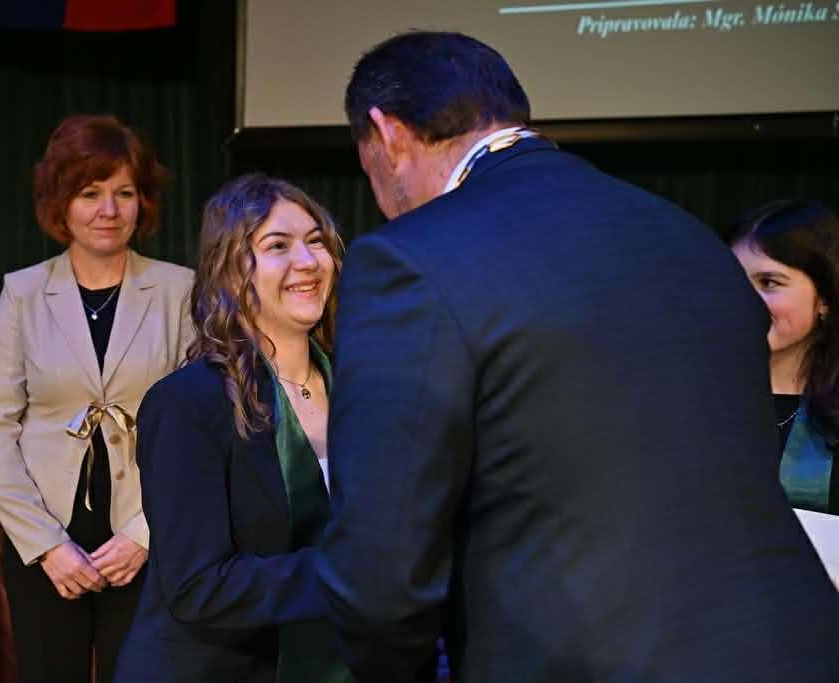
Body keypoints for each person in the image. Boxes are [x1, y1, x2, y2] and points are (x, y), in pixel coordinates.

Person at [318, 31, 839, 683]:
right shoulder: (685, 235)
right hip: (794, 645)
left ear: (388, 133)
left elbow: (381, 575)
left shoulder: (408, 259)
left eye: (368, 170)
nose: (381, 199)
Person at [0, 114, 194, 683]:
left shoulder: (180, 290)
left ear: (143, 203)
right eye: (90, 193)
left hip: (149, 533)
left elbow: (199, 428)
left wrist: (144, 534)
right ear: (60, 204)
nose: (108, 210)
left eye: (125, 193)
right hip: (46, 536)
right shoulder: (23, 293)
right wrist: (47, 546)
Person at [115, 174, 351, 683]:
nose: (307, 261)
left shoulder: (361, 390)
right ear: (230, 269)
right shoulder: (187, 404)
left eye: (316, 242)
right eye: (277, 246)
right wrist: (354, 573)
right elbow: (197, 585)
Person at [726, 200, 839, 513]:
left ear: (825, 299)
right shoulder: (689, 398)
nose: (744, 299)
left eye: (769, 282)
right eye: (732, 279)